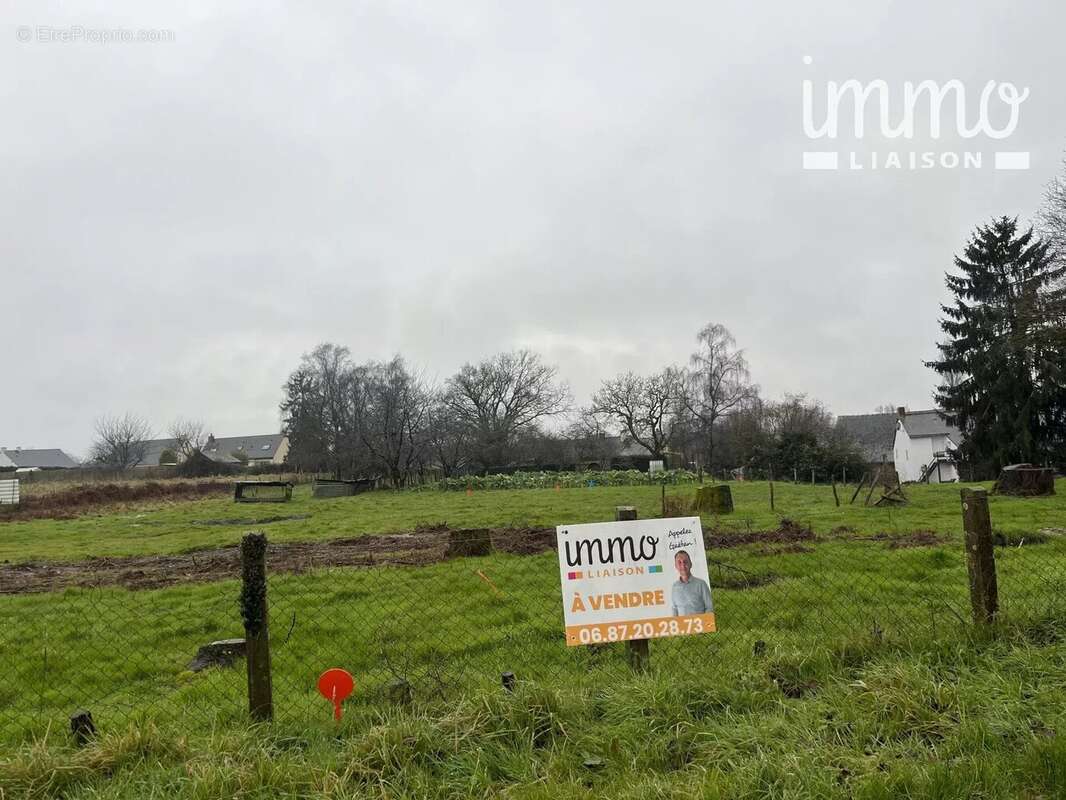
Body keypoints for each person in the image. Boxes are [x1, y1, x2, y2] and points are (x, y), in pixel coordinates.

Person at [670, 550, 713, 615]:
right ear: (676, 566)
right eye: (679, 562)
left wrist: (703, 622)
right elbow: (674, 609)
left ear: (691, 564)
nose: (683, 565)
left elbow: (709, 607)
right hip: (682, 625)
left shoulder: (701, 584)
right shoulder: (674, 587)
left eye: (685, 562)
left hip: (700, 624)